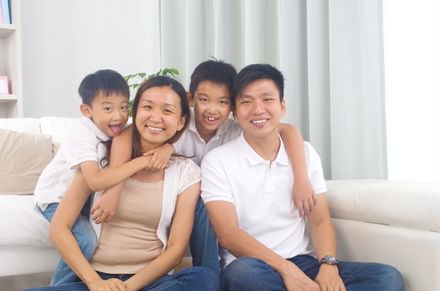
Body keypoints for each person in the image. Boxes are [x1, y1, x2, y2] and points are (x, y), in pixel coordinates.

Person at [3, 76, 218, 291]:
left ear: (181, 121)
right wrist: (96, 284)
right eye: (147, 107)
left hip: (147, 283)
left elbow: (175, 252)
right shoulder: (98, 160)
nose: (155, 117)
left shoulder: (186, 172)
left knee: (205, 282)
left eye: (167, 110)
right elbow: (60, 228)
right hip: (97, 281)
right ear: (134, 113)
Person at [200, 63, 404, 291]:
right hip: (255, 269)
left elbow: (319, 220)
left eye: (267, 99)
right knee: (240, 278)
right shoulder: (218, 161)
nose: (258, 109)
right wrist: (287, 272)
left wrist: (328, 266)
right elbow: (228, 234)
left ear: (283, 106)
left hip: (305, 262)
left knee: (388, 281)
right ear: (235, 113)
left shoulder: (305, 154)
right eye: (246, 102)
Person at [91, 59, 316, 279]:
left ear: (233, 106)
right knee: (202, 203)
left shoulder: (235, 129)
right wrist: (115, 189)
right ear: (190, 99)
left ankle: (213, 277)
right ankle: (209, 273)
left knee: (210, 204)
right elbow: (125, 136)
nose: (212, 110)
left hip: (219, 200)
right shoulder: (177, 124)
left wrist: (301, 178)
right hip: (177, 196)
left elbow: (288, 131)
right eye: (204, 100)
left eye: (223, 102)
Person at [34, 69, 168, 285]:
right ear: (86, 110)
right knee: (86, 239)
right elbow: (94, 180)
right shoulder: (82, 134)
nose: (118, 115)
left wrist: (167, 148)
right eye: (108, 108)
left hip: (86, 199)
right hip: (55, 198)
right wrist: (142, 162)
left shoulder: (116, 129)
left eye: (124, 107)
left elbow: (153, 131)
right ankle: (58, 289)